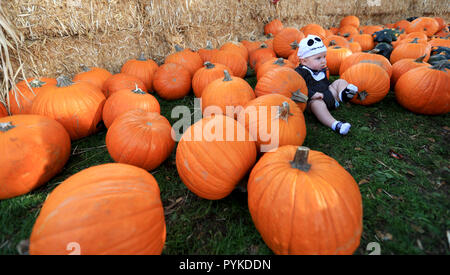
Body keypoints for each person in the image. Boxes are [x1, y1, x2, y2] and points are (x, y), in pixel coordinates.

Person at [295, 34, 358, 135]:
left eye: (324, 56)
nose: (323, 61)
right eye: (318, 58)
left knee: (339, 82)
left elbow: (326, 84)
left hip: (328, 95)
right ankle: (335, 124)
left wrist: (333, 91)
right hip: (313, 101)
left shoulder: (321, 69)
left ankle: (343, 94)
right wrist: (311, 94)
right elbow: (298, 88)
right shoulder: (300, 72)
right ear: (304, 61)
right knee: (316, 103)